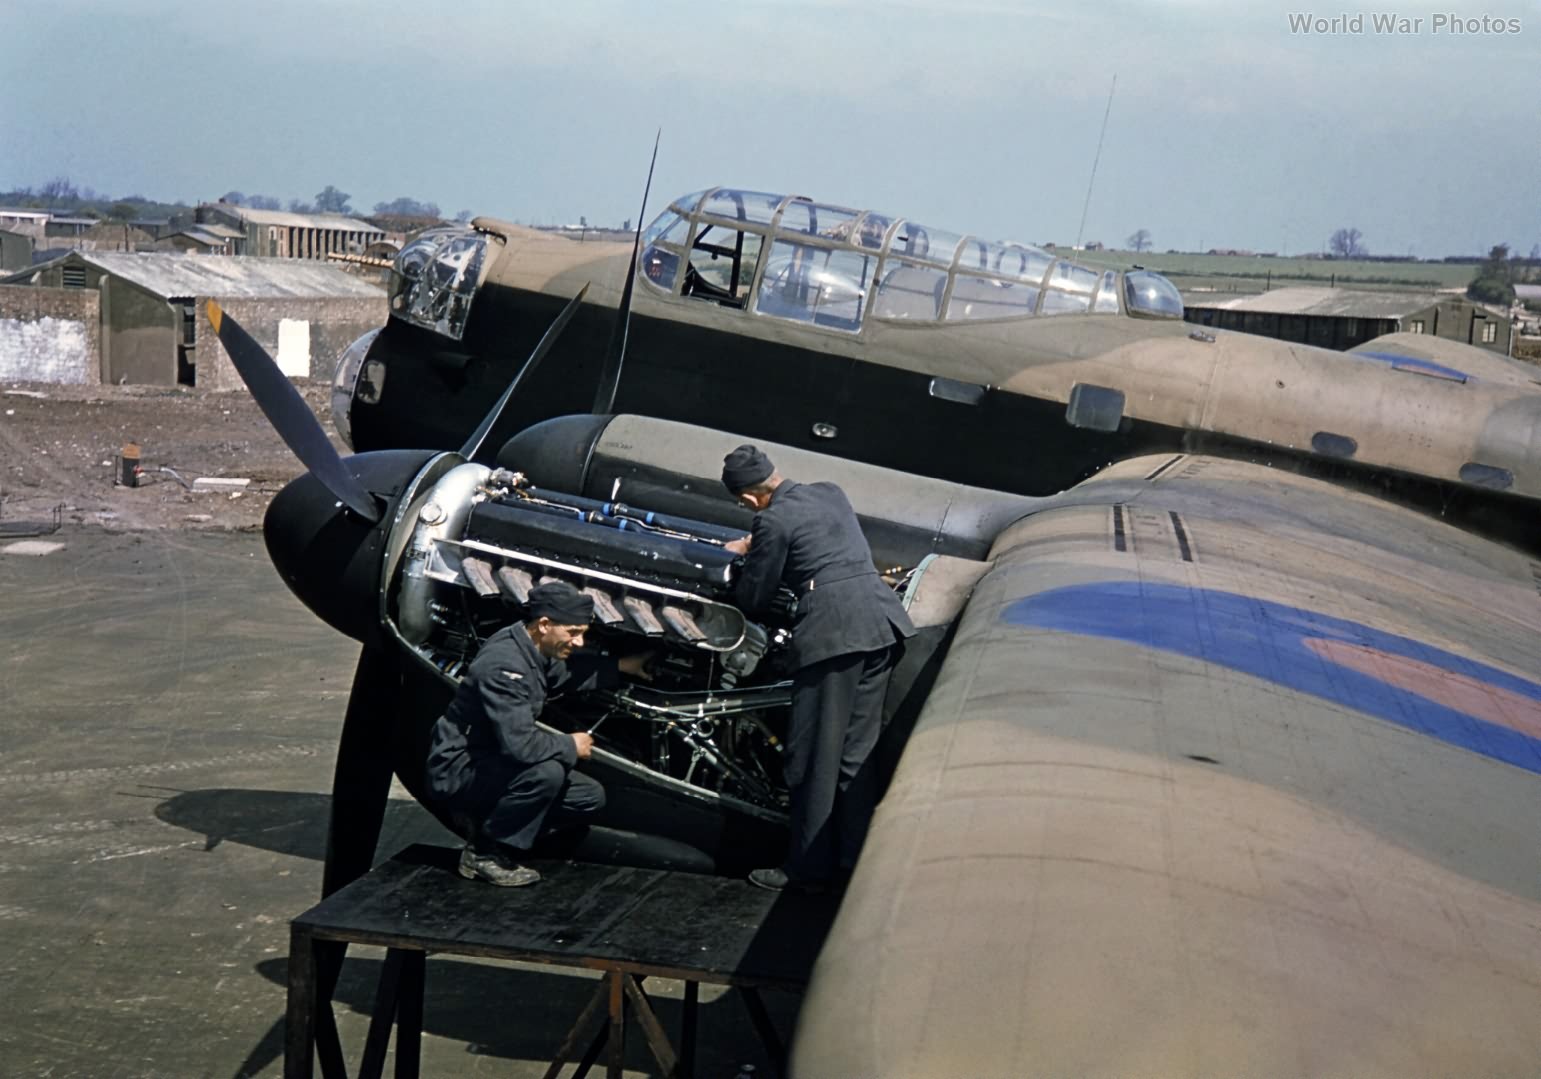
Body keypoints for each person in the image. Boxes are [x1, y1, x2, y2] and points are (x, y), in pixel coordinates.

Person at [721, 445, 915, 892]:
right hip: (880, 626)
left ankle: (807, 869)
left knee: (812, 758)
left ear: (748, 498)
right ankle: (854, 860)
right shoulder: (830, 492)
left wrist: (746, 555)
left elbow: (754, 597)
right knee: (854, 757)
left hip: (834, 637)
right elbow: (814, 540)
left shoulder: (771, 520)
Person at [423, 580, 650, 887]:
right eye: (573, 632)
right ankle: (483, 854)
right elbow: (521, 745)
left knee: (588, 796)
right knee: (547, 774)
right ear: (544, 624)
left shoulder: (527, 644)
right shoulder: (505, 667)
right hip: (458, 768)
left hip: (490, 758)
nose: (580, 642)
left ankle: (496, 829)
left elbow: (562, 675)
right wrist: (571, 745)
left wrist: (620, 666)